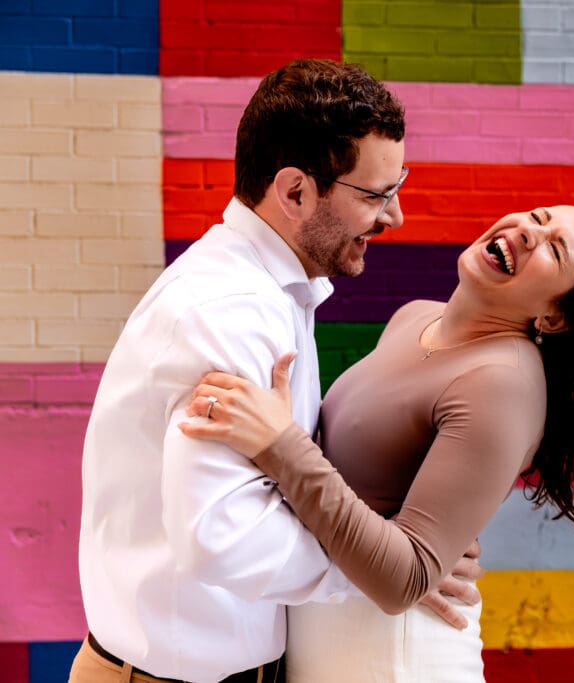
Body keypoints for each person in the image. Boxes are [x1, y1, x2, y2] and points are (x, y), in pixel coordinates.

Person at [71, 58, 480, 683]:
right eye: (375, 195)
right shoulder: (232, 311)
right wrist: (379, 571)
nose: (394, 217)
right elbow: (222, 534)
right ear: (294, 192)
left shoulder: (272, 291)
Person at [179, 203, 574, 681]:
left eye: (556, 249)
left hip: (396, 653)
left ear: (555, 317)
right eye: (539, 217)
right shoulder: (416, 318)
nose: (530, 232)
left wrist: (280, 443)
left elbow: (404, 578)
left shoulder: (503, 383)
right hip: (330, 635)